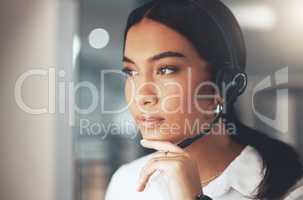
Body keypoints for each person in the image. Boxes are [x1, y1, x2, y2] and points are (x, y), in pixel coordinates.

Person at [105, 0, 303, 199]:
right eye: (131, 72)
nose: (141, 96)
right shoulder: (126, 183)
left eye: (166, 69)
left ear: (224, 84)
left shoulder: (291, 191)